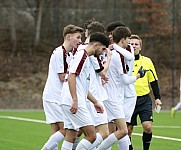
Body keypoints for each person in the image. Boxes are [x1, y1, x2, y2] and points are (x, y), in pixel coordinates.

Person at [60, 32, 110, 150]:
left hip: (67, 99)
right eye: (103, 49)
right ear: (96, 45)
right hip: (72, 100)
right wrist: (75, 100)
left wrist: (95, 102)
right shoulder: (83, 55)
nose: (103, 52)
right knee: (91, 135)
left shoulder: (86, 57)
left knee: (71, 134)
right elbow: (72, 76)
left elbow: (82, 86)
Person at [97, 26, 143, 150]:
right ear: (123, 39)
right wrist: (138, 76)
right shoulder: (116, 55)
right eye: (128, 39)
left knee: (115, 131)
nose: (130, 42)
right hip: (113, 97)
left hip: (109, 95)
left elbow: (130, 56)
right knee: (123, 131)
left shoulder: (111, 52)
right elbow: (125, 80)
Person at [41, 24, 84, 150]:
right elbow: (62, 76)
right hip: (55, 96)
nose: (80, 41)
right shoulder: (61, 52)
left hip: (53, 96)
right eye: (78, 37)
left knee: (56, 130)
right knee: (67, 129)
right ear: (68, 37)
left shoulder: (69, 54)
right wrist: (77, 78)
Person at [72, 20, 110, 150]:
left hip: (88, 94)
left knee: (88, 132)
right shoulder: (90, 52)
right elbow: (102, 72)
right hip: (92, 95)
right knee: (103, 132)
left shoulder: (81, 49)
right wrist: (109, 57)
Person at [106, 21, 137, 150]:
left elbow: (130, 56)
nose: (109, 36)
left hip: (126, 92)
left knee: (122, 128)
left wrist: (115, 46)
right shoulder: (110, 51)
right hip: (114, 92)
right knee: (114, 129)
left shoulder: (125, 49)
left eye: (111, 34)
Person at [128, 34, 162, 150]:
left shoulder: (147, 61)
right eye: (131, 44)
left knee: (147, 127)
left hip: (144, 99)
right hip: (128, 100)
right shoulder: (123, 61)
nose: (133, 46)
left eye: (136, 44)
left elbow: (154, 81)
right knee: (127, 130)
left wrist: (157, 98)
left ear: (140, 47)